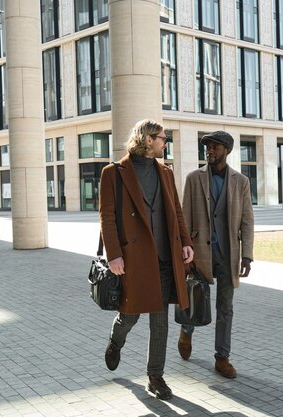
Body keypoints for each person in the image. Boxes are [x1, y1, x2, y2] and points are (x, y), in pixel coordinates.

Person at [99, 119, 194, 400]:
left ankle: (155, 376)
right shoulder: (113, 173)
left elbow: (176, 211)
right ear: (148, 139)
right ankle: (116, 342)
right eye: (163, 138)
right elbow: (107, 218)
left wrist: (186, 243)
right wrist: (113, 254)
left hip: (165, 258)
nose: (166, 142)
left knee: (160, 321)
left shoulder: (165, 172)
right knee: (130, 315)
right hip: (134, 259)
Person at [178, 131, 254, 378]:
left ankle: (222, 357)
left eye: (215, 147)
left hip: (228, 254)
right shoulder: (194, 179)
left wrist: (247, 255)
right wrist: (184, 253)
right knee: (194, 299)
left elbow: (247, 221)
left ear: (227, 151)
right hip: (199, 253)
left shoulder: (241, 182)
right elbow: (184, 217)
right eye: (207, 147)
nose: (209, 150)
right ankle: (186, 331)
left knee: (226, 308)